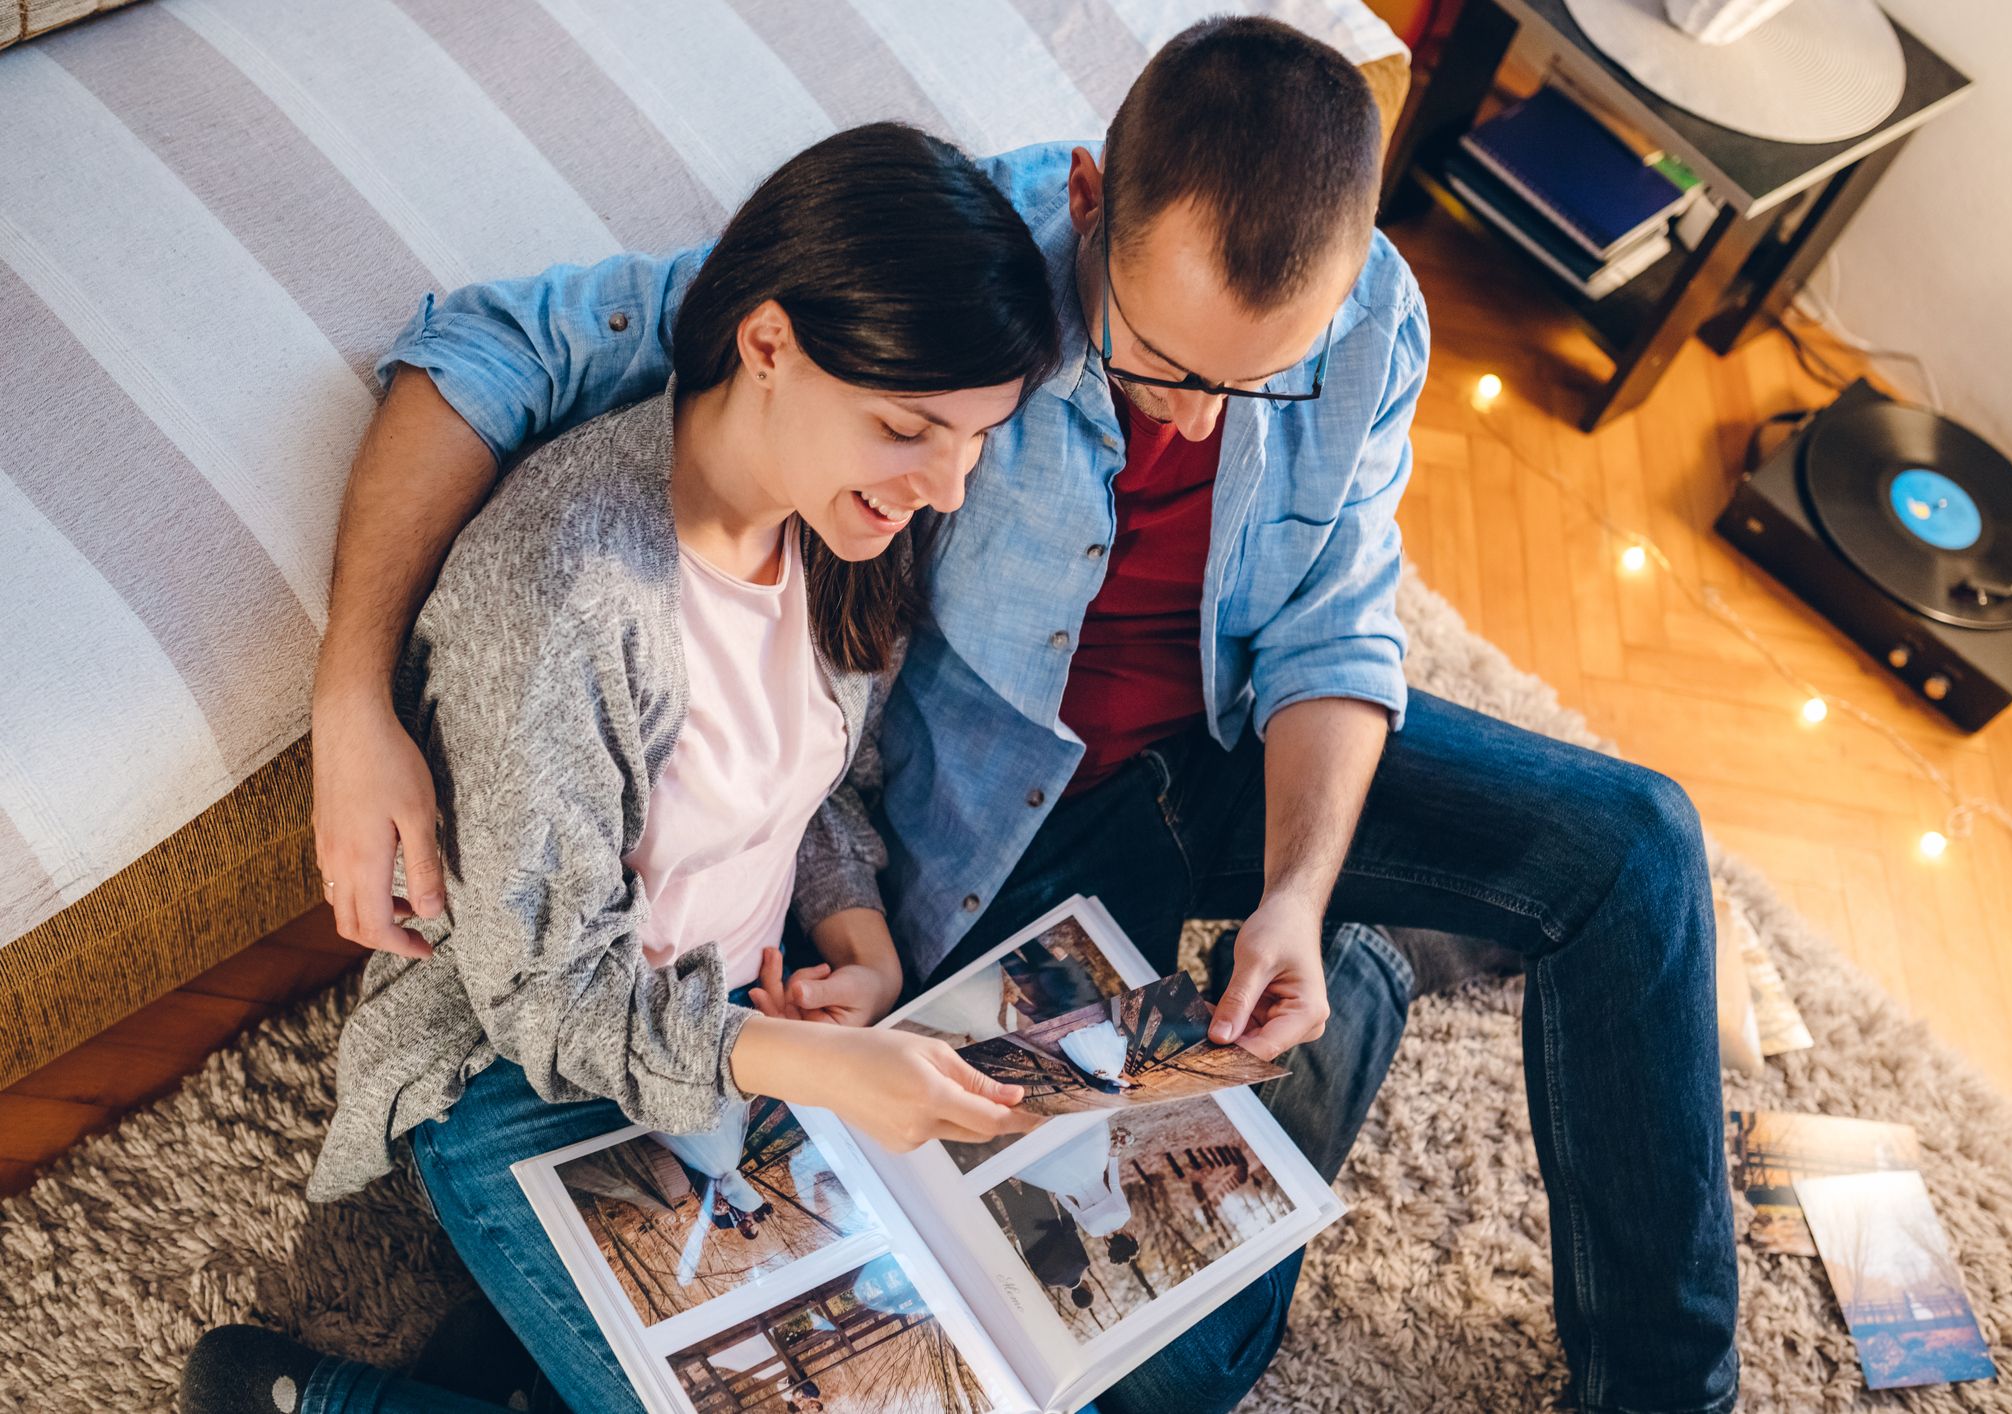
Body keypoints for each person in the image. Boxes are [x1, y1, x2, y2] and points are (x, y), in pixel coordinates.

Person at [310, 19, 1739, 1414]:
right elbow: (504, 348)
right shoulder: (927, 298)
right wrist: (354, 695)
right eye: (1161, 365)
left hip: (1218, 742)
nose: (1200, 423)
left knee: (1634, 841)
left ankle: (1658, 1381)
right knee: (1156, 1358)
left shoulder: (1358, 325)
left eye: (1262, 382)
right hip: (1005, 823)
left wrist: (1298, 890)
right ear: (1088, 204)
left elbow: (1331, 627)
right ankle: (1367, 981)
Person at [179, 122, 1059, 1414]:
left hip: (734, 1035)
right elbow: (543, 997)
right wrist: (811, 1067)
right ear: (768, 344)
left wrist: (862, 947)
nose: (947, 486)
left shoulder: (839, 524)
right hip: (524, 1074)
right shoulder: (570, 593)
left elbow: (809, 785)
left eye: (976, 438)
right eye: (908, 429)